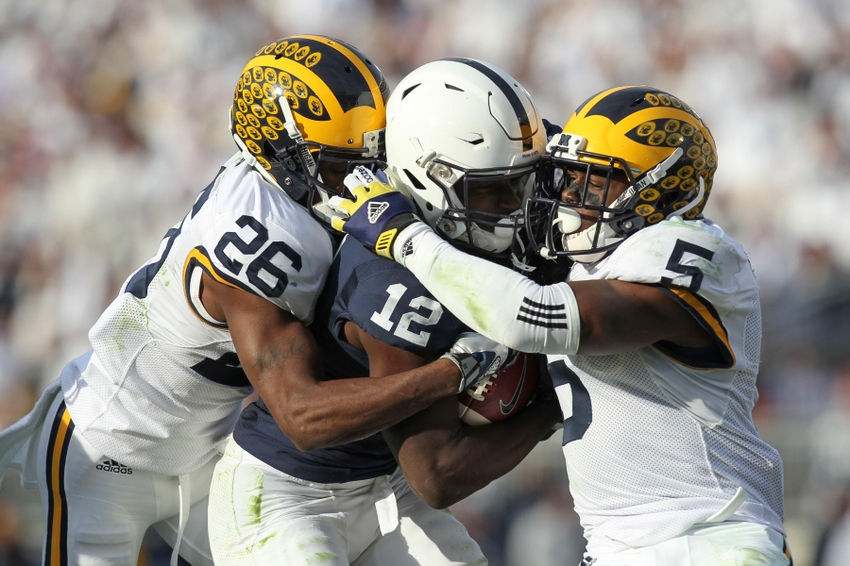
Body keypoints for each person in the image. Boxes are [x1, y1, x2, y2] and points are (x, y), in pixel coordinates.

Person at [0, 36, 511, 566]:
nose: (362, 179)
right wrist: (454, 372)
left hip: (206, 458)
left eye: (369, 158)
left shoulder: (288, 189)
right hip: (110, 446)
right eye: (340, 165)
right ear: (283, 151)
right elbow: (300, 413)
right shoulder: (264, 235)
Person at [332, 86, 791, 565]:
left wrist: (408, 239)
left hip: (704, 539)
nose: (570, 193)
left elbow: (538, 317)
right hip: (622, 545)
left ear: (659, 189)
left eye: (594, 179)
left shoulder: (696, 254)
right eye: (569, 175)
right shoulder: (594, 256)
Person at [208, 58, 563, 566]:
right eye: (487, 189)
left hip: (384, 483)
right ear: (427, 178)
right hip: (289, 495)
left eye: (519, 183)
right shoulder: (394, 280)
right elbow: (438, 473)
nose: (512, 204)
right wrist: (554, 402)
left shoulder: (468, 194)